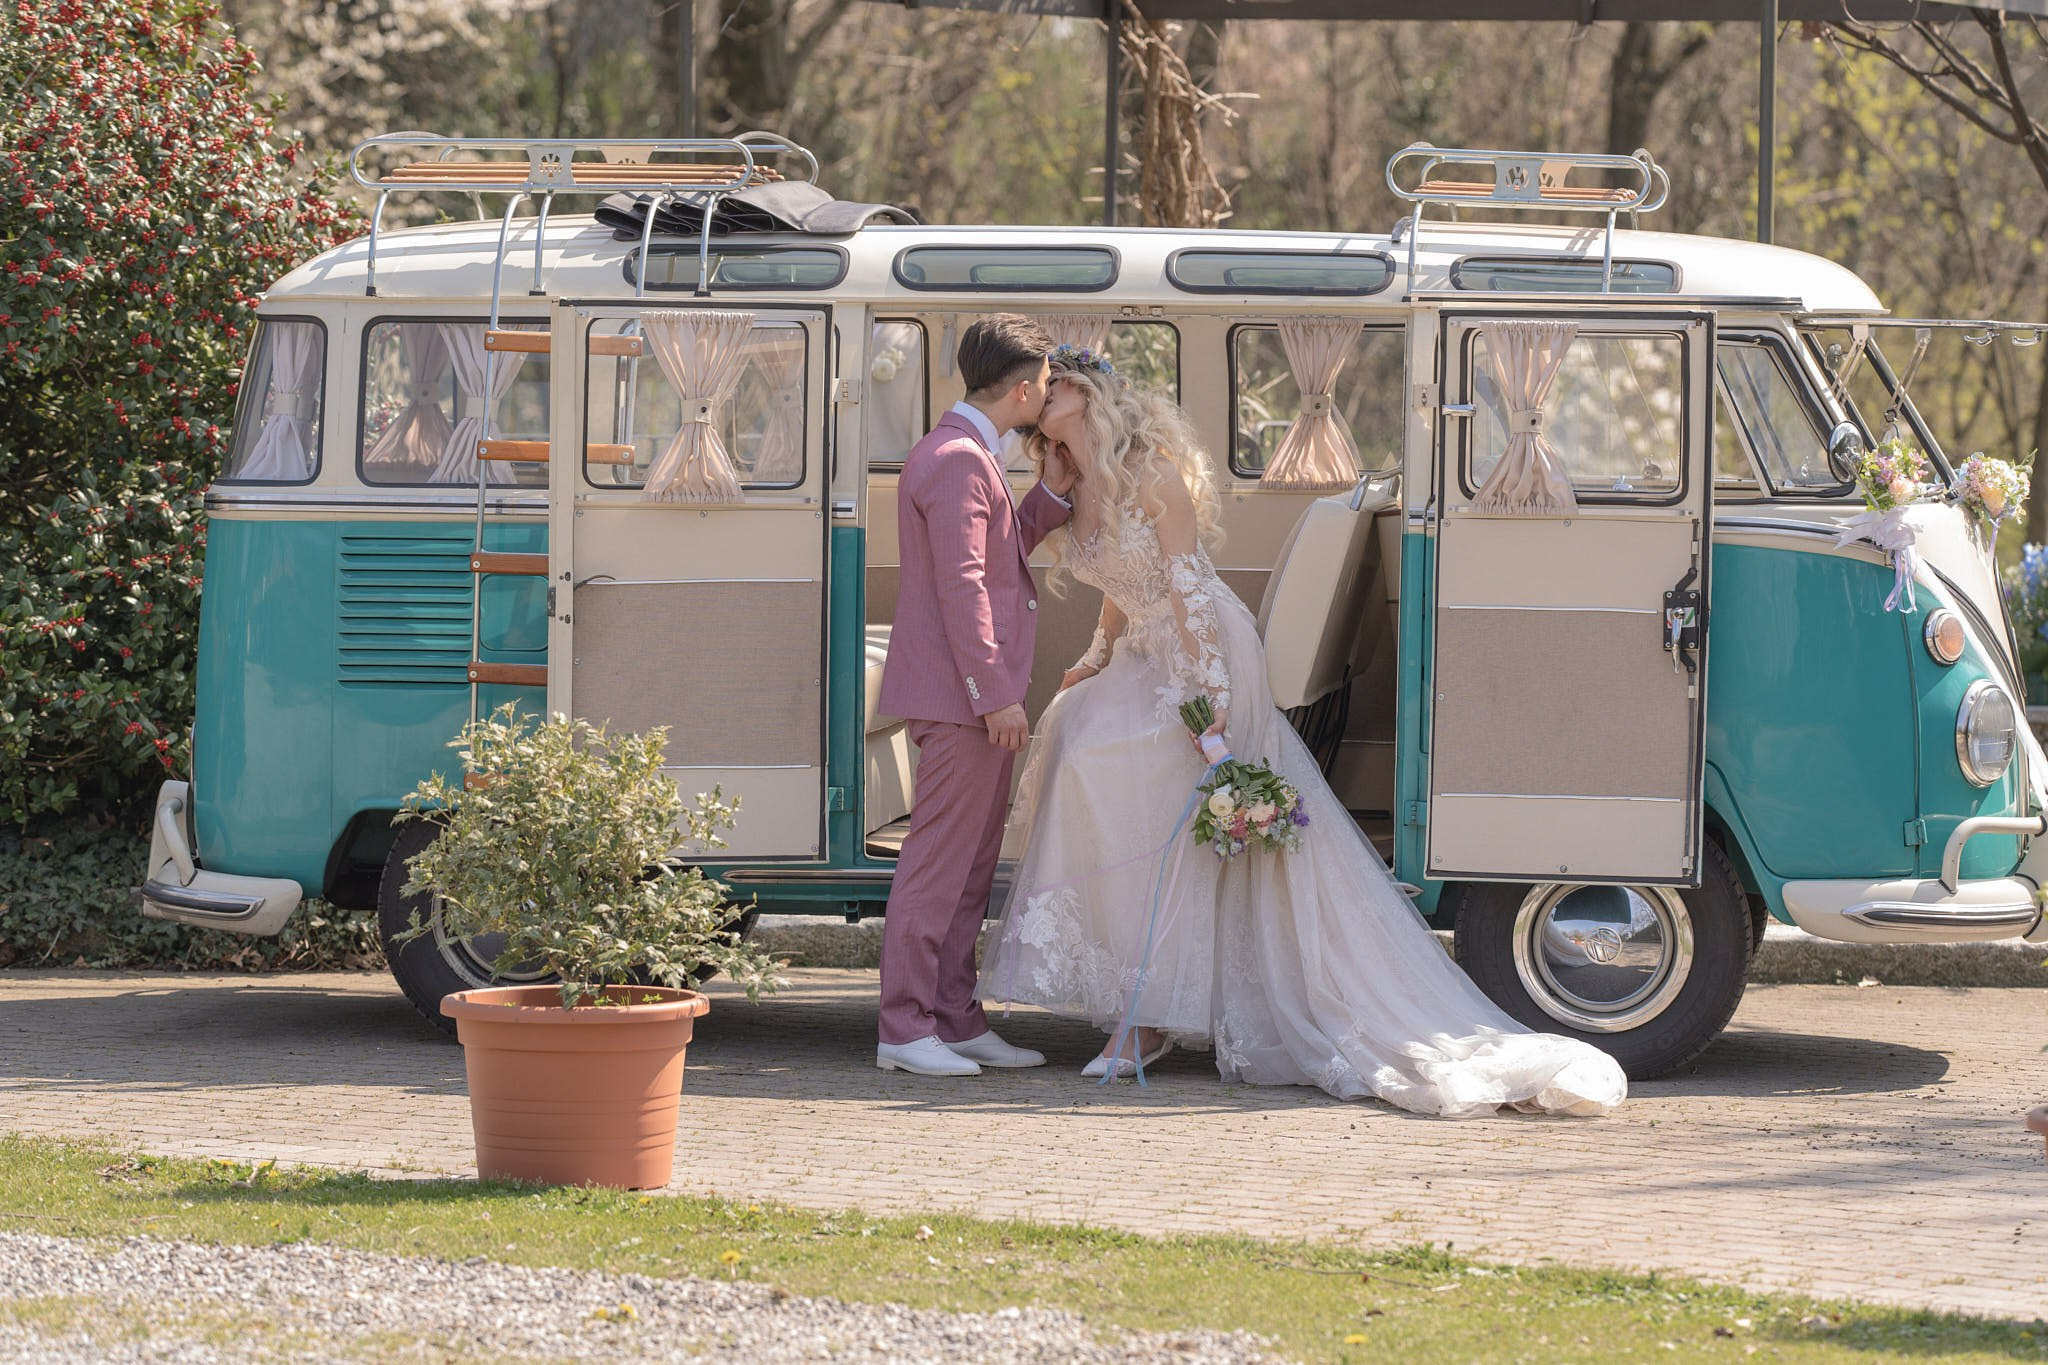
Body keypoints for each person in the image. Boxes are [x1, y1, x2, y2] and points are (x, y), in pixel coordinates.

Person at [977, 345, 1628, 1118]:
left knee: (1138, 774)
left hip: (1204, 649)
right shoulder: (1069, 481)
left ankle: (1150, 1016)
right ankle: (1140, 1000)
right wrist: (1092, 657)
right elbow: (1118, 588)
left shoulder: (1153, 473)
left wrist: (1212, 699)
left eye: (1056, 387)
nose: (1042, 397)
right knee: (1078, 739)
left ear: (1088, 396)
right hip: (1145, 649)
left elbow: (1184, 590)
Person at [874, 315, 1076, 1077]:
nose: (1049, 395)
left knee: (968, 867)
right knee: (938, 865)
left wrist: (1050, 493)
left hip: (969, 697)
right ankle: (903, 1024)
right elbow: (963, 589)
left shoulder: (963, 454)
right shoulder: (958, 460)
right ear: (1023, 390)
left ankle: (954, 1016)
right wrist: (995, 693)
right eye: (1047, 384)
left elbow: (994, 554)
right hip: (963, 700)